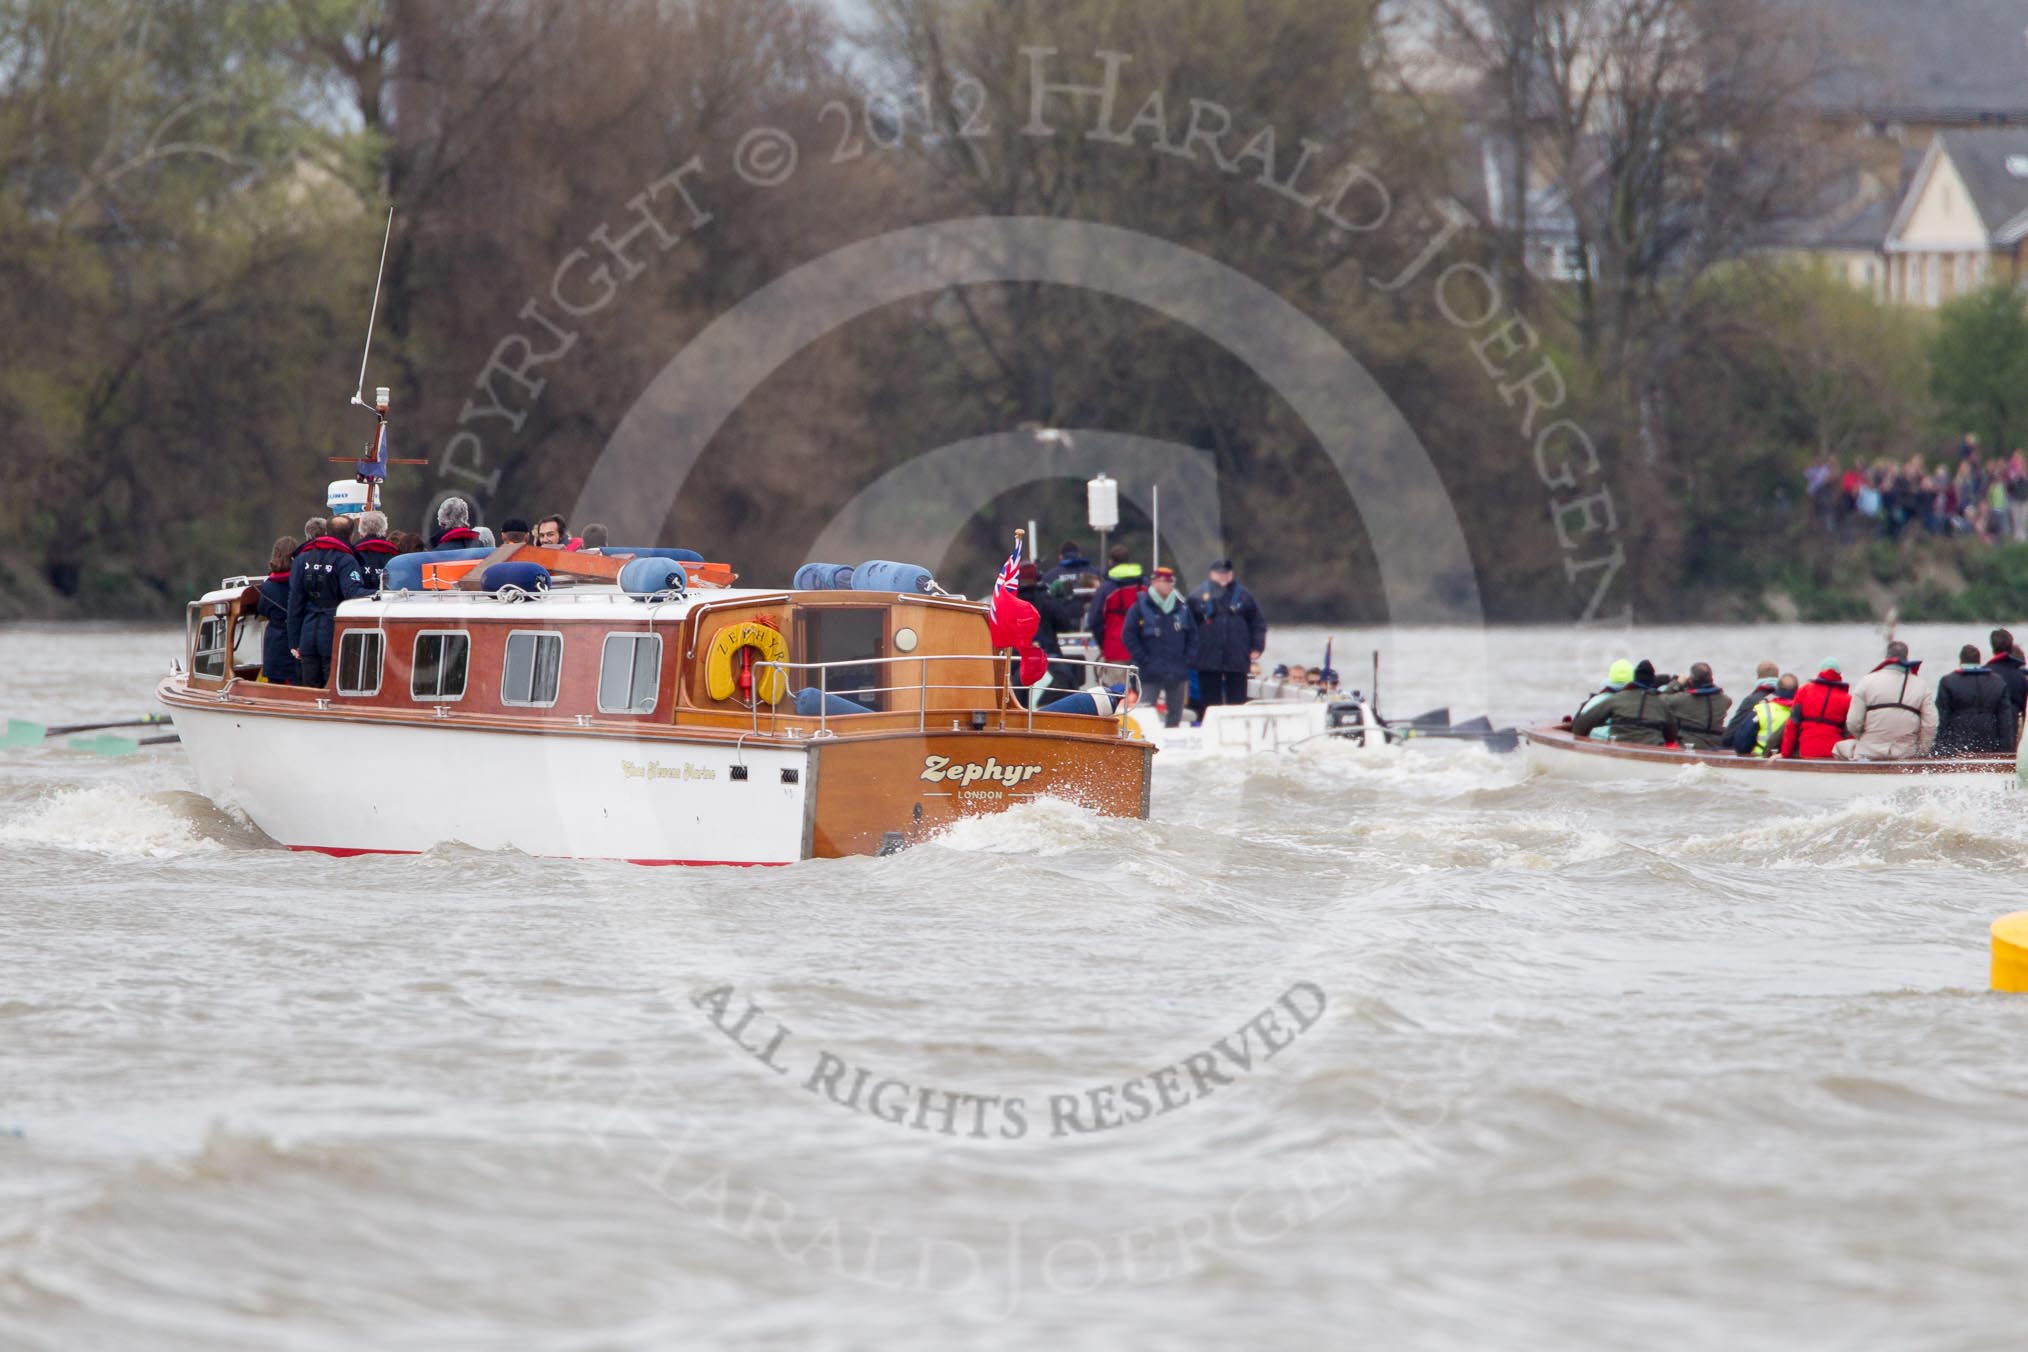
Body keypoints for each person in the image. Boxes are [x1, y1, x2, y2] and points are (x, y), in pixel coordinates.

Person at [287, 522, 371, 687]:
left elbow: (294, 603)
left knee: (310, 690)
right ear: (350, 535)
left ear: (327, 532)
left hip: (307, 635)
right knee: (332, 688)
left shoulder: (302, 559)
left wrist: (293, 641)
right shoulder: (346, 560)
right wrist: (378, 593)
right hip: (333, 634)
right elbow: (352, 593)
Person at [1121, 566, 1199, 727]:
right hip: (1149, 670)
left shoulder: (1182, 608)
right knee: (1145, 711)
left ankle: (1173, 742)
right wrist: (1143, 659)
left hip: (1177, 670)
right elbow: (1128, 635)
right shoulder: (1139, 608)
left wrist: (1187, 659)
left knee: (1176, 714)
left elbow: (1193, 636)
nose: (1167, 585)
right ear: (1153, 582)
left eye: (1170, 581)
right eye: (1163, 581)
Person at [1835, 640, 1936, 761]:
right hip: (1906, 752)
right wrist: (1922, 752)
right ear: (1906, 658)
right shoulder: (1922, 685)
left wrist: (1863, 738)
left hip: (1869, 751)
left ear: (1886, 657)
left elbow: (1853, 722)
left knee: (1838, 748)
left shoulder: (1867, 681)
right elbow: (1930, 725)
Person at [1189, 559, 1268, 709]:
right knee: (1209, 704)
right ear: (1211, 574)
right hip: (1207, 659)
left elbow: (1258, 623)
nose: (1223, 576)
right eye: (1219, 573)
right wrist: (1190, 651)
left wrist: (1257, 646)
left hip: (1237, 659)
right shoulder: (1196, 597)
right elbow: (1187, 626)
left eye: (1226, 573)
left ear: (1232, 574)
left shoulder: (1245, 596)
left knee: (1237, 702)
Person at [1933, 644, 2016, 756]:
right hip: (1989, 740)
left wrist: (1938, 749)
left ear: (1961, 661)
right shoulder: (1997, 682)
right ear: (1979, 661)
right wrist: (2006, 750)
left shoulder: (1948, 682)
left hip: (1958, 742)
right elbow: (2005, 720)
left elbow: (1943, 718)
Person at [1571, 658, 1678, 745]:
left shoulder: (1616, 698)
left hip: (1621, 748)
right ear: (1652, 683)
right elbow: (1672, 736)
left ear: (1634, 680)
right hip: (1651, 750)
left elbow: (1580, 727)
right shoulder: (1662, 704)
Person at [1014, 562, 1078, 687]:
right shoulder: (1048, 600)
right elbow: (1065, 625)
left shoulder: (1009, 603)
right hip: (1049, 657)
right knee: (1071, 682)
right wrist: (1061, 602)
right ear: (1037, 577)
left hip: (1017, 659)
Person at [1084, 545, 1146, 667]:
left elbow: (1094, 620)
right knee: (1142, 685)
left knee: (1117, 686)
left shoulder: (1105, 589)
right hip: (1144, 648)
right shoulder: (1145, 585)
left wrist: (1103, 644)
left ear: (1110, 562)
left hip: (1115, 649)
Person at [1779, 660, 1851, 759]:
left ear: (1820, 672)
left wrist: (1785, 753)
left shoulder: (1804, 691)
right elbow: (1850, 733)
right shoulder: (1847, 698)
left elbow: (1792, 724)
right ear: (1839, 674)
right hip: (1834, 752)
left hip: (1807, 750)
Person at [254, 536, 298, 685]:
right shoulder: (300, 583)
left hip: (275, 642)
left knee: (275, 686)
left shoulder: (267, 587)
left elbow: (262, 609)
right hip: (297, 640)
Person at [1660, 662, 1731, 750]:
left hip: (1689, 746)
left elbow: (1661, 700)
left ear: (1691, 680)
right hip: (1714, 746)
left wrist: (1677, 683)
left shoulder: (1683, 699)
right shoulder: (1725, 700)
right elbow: (1716, 692)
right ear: (1711, 679)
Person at [1733, 673, 1798, 757]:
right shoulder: (1802, 712)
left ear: (1777, 689)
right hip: (1788, 758)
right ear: (1797, 691)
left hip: (1760, 757)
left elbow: (1741, 742)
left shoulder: (1762, 710)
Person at [1723, 661, 1781, 747]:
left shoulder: (1751, 701)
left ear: (1758, 677)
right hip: (1781, 752)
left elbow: (1729, 734)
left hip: (1756, 751)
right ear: (1777, 677)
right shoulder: (1788, 699)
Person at [352, 510, 398, 590]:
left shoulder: (352, 555)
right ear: (385, 532)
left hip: (358, 600)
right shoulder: (396, 557)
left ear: (361, 533)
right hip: (389, 601)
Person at [1988, 628, 2027, 721]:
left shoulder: (1985, 673)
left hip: (1989, 722)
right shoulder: (2020, 676)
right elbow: (2022, 706)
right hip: (2012, 721)